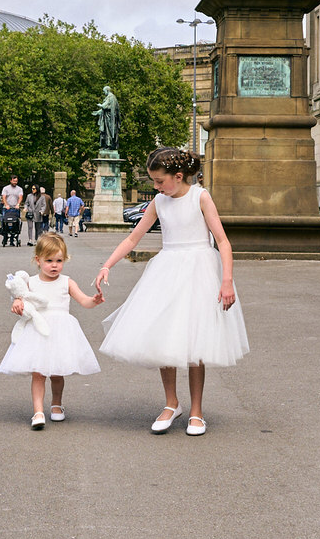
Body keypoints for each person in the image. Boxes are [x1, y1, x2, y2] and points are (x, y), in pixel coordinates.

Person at [92, 147, 248, 436]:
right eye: (154, 182)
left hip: (199, 269)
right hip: (167, 269)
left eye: (160, 181)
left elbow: (223, 242)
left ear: (178, 176)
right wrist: (107, 265)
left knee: (196, 342)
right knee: (165, 335)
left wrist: (227, 280)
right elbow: (133, 237)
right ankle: (171, 402)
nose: (156, 187)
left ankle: (196, 411)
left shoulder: (200, 197)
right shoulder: (159, 202)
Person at [1, 231, 104, 429]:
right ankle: (38, 411)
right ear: (37, 260)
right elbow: (19, 297)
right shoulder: (30, 282)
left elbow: (84, 301)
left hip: (61, 332)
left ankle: (57, 404)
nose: (54, 265)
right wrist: (17, 301)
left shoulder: (67, 282)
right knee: (38, 373)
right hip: (37, 332)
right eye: (49, 260)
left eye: (59, 260)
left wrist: (94, 300)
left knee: (57, 373)